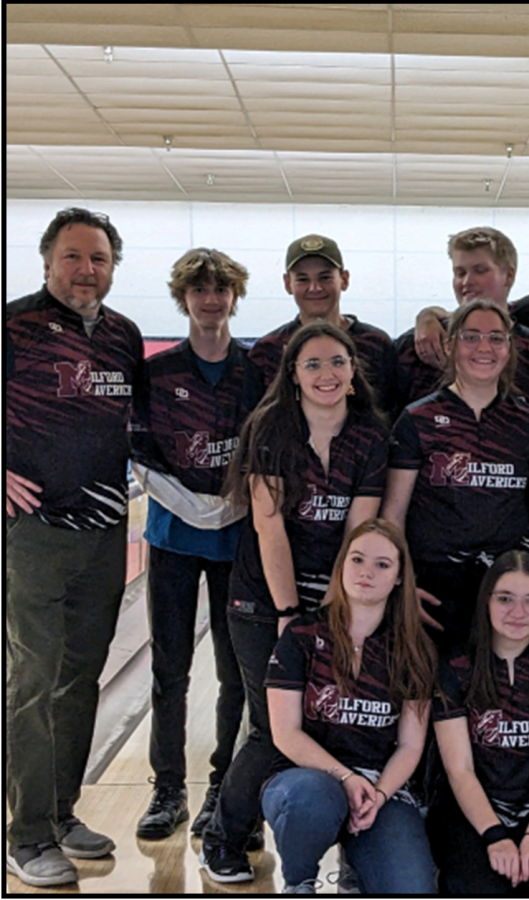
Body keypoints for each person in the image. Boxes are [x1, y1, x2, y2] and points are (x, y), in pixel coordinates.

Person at [200, 321, 390, 883]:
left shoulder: (370, 436)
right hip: (263, 599)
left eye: (336, 362)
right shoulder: (270, 428)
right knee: (270, 727)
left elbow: (360, 535)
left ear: (353, 372)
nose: (325, 374)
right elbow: (269, 527)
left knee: (316, 724)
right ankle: (223, 836)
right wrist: (289, 614)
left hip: (334, 594)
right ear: (293, 376)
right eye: (312, 365)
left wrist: (336, 608)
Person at [6, 208, 143, 888]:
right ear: (48, 260)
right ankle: (26, 833)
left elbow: (138, 425)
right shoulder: (15, 326)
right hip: (32, 531)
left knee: (80, 675)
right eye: (73, 256)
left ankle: (61, 814)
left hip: (105, 528)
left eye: (98, 258)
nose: (86, 270)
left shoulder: (123, 337)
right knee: (32, 679)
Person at [129, 248, 262, 841]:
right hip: (174, 538)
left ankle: (222, 789)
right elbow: (140, 452)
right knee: (170, 668)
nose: (211, 300)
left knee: (236, 673)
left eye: (220, 290)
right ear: (183, 298)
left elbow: (268, 449)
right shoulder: (155, 373)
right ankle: (167, 789)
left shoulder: (257, 369)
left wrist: (231, 504)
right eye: (199, 290)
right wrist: (193, 506)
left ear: (234, 296)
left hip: (239, 541)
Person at [384, 299, 529, 650]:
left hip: (507, 588)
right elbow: (393, 514)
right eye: (471, 337)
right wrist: (401, 583)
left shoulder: (526, 420)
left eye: (496, 338)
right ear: (450, 346)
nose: (484, 347)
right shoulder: (418, 419)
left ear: (509, 349)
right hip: (435, 591)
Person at [262, 519, 438, 894]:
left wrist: (378, 794)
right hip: (308, 777)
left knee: (412, 888)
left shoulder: (414, 649)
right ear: (341, 565)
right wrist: (346, 777)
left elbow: (410, 745)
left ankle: (359, 864)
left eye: (382, 564)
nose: (366, 573)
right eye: (357, 559)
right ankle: (299, 882)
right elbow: (285, 733)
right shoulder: (301, 636)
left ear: (399, 577)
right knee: (311, 798)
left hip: (381, 786)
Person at [430, 550, 529, 893]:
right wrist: (495, 835)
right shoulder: (455, 666)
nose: (518, 613)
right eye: (505, 599)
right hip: (474, 809)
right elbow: (460, 769)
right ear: (485, 601)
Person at [396, 227, 529, 410]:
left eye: (480, 271)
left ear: (509, 276)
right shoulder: (417, 345)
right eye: (460, 273)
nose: (467, 282)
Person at [249, 234, 397, 415]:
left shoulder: (376, 344)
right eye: (303, 279)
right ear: (288, 284)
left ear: (344, 279)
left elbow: (390, 413)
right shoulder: (268, 350)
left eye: (325, 277)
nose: (315, 288)